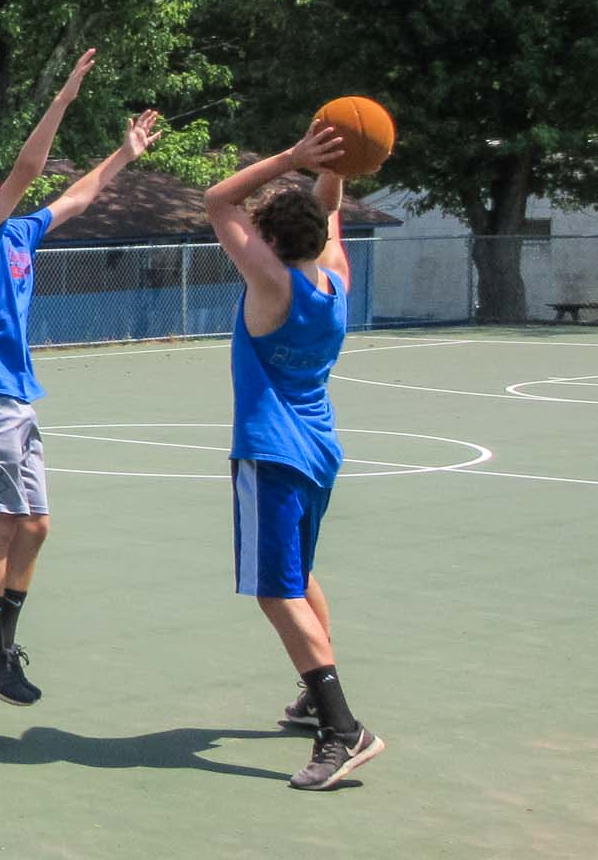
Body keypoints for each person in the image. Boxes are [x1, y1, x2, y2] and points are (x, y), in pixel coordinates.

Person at [0, 48, 160, 706]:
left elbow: (78, 195)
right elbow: (32, 170)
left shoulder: (21, 233)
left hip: (16, 393)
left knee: (34, 526)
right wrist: (63, 98)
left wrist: (125, 153)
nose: (1, 191)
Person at [206, 121, 387, 790]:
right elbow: (331, 210)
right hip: (318, 448)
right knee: (302, 575)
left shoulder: (273, 285)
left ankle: (344, 729)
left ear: (273, 243)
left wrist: (289, 156)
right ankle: (317, 692)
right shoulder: (335, 278)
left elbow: (217, 202)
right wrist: (333, 164)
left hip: (271, 453)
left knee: (275, 592)